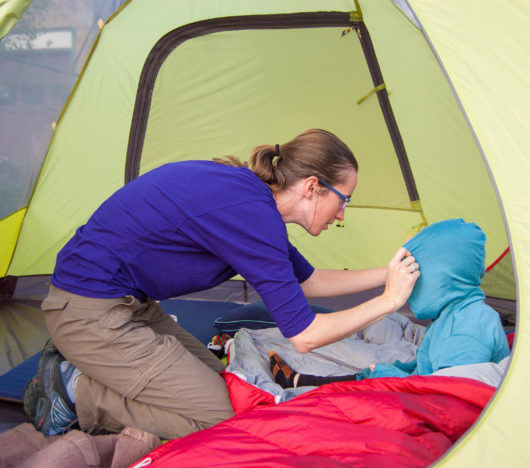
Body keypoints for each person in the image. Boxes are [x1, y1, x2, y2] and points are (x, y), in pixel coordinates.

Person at [23, 129, 420, 440]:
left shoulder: (252, 202)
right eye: (344, 200)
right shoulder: (251, 214)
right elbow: (304, 336)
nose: (343, 216)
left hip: (131, 308)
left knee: (220, 386)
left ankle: (87, 372)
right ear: (313, 187)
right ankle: (75, 391)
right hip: (90, 313)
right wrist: (389, 301)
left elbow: (309, 282)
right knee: (222, 419)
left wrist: (390, 273)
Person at [269, 219, 510, 388]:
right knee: (372, 374)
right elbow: (426, 367)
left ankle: (302, 385)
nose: (408, 284)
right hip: (424, 388)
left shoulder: (470, 326)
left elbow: (447, 394)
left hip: (433, 403)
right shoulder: (449, 317)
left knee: (373, 384)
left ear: (442, 276)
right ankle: (302, 382)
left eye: (415, 273)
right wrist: (396, 370)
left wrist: (390, 376)